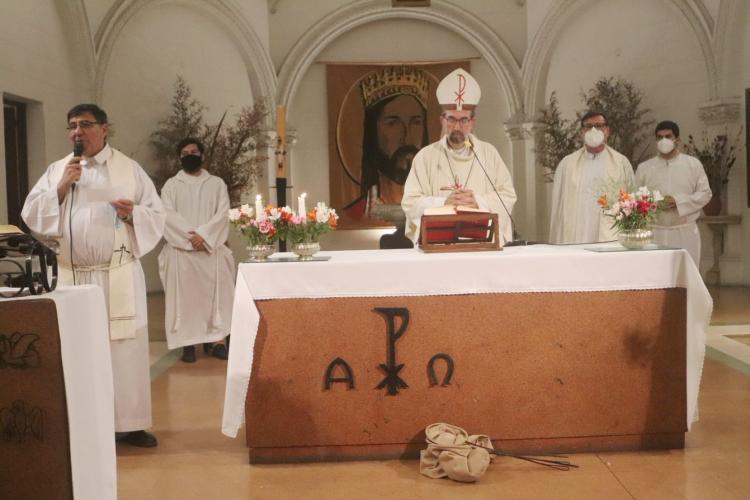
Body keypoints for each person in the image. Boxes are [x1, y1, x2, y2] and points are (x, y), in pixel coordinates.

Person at [22, 103, 165, 447]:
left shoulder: (128, 169)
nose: (77, 132)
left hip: (115, 273)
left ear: (105, 128)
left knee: (123, 350)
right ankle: (79, 422)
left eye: (85, 124)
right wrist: (60, 188)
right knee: (76, 349)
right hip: (73, 276)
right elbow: (31, 213)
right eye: (72, 125)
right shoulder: (59, 169)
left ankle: (128, 424)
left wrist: (133, 215)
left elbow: (157, 215)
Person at [401, 68, 517, 244]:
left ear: (472, 122)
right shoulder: (425, 157)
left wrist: (477, 202)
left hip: (481, 244)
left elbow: (507, 196)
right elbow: (410, 203)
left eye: (463, 120)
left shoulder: (488, 154)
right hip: (438, 246)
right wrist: (444, 202)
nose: (457, 127)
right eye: (451, 119)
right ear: (442, 120)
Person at [158, 138, 234, 363]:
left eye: (194, 151)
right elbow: (166, 214)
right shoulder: (171, 185)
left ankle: (218, 341)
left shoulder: (217, 183)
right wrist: (192, 237)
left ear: (202, 155)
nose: (189, 155)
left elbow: (223, 213)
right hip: (182, 255)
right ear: (180, 158)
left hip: (211, 252)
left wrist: (205, 236)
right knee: (187, 301)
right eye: (184, 152)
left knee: (216, 299)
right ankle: (188, 344)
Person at [549, 111, 635, 244]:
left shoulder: (621, 163)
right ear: (581, 132)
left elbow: (631, 201)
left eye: (599, 125)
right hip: (577, 232)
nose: (593, 130)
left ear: (607, 131)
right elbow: (558, 206)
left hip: (610, 234)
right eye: (588, 126)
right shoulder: (567, 164)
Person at [635, 120, 711, 264]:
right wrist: (654, 203)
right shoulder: (644, 168)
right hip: (653, 232)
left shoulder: (692, 164)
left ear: (677, 140)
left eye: (668, 136)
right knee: (655, 276)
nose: (663, 140)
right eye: (659, 137)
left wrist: (678, 202)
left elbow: (705, 194)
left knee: (685, 278)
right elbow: (635, 199)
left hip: (684, 231)